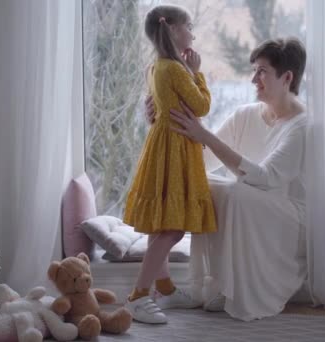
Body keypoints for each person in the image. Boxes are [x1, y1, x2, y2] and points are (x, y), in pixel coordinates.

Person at [147, 38, 308, 321]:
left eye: (262, 72)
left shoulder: (302, 125)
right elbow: (202, 158)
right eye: (254, 70)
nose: (253, 79)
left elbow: (266, 178)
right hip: (249, 199)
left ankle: (234, 287)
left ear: (287, 77)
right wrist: (165, 120)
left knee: (234, 193)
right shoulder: (245, 114)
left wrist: (204, 134)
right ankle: (205, 284)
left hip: (286, 214)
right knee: (202, 184)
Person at [122, 4, 217, 324]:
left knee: (163, 223)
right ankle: (138, 295)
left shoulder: (156, 68)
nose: (192, 32)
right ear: (174, 30)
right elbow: (201, 106)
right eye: (189, 26)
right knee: (173, 229)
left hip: (163, 148)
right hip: (174, 151)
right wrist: (197, 72)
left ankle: (165, 287)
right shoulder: (177, 70)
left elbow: (160, 107)